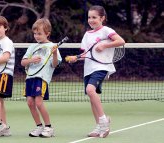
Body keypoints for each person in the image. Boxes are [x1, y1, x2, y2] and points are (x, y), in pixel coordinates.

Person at [66, 5, 125, 138]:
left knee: (90, 90)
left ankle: (103, 121)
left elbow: (121, 41)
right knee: (92, 98)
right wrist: (76, 58)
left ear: (102, 18)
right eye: (89, 17)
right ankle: (99, 127)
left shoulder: (106, 30)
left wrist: (105, 45)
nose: (91, 20)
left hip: (102, 67)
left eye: (94, 17)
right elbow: (86, 53)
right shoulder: (87, 34)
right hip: (89, 69)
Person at [21, 18, 62, 138]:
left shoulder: (52, 46)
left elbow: (55, 64)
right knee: (29, 102)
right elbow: (23, 62)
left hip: (42, 78)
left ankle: (48, 127)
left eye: (40, 33)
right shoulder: (32, 46)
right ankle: (39, 126)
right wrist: (31, 60)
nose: (37, 36)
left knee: (38, 102)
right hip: (30, 78)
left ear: (47, 33)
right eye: (35, 33)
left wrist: (54, 53)